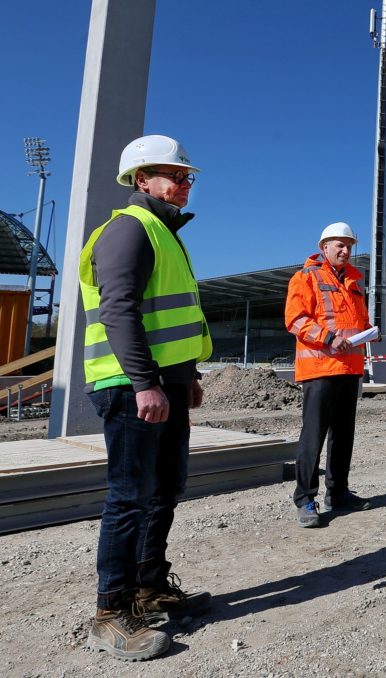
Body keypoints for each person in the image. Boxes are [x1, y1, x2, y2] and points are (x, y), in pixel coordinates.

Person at [79, 134, 213, 661]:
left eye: (187, 178)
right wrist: (145, 383)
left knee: (163, 489)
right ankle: (111, 613)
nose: (184, 185)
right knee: (130, 496)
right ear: (142, 180)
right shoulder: (129, 231)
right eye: (175, 176)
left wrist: (187, 375)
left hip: (167, 384)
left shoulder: (164, 233)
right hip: (131, 386)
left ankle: (149, 587)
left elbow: (170, 318)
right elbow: (119, 312)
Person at [286, 222, 373, 528]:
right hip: (319, 368)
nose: (345, 250)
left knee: (343, 436)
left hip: (349, 368)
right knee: (313, 437)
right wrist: (327, 338)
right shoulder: (306, 277)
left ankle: (338, 493)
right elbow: (295, 320)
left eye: (349, 245)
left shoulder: (355, 281)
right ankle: (305, 498)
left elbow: (357, 322)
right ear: (323, 247)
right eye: (338, 245)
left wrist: (368, 333)